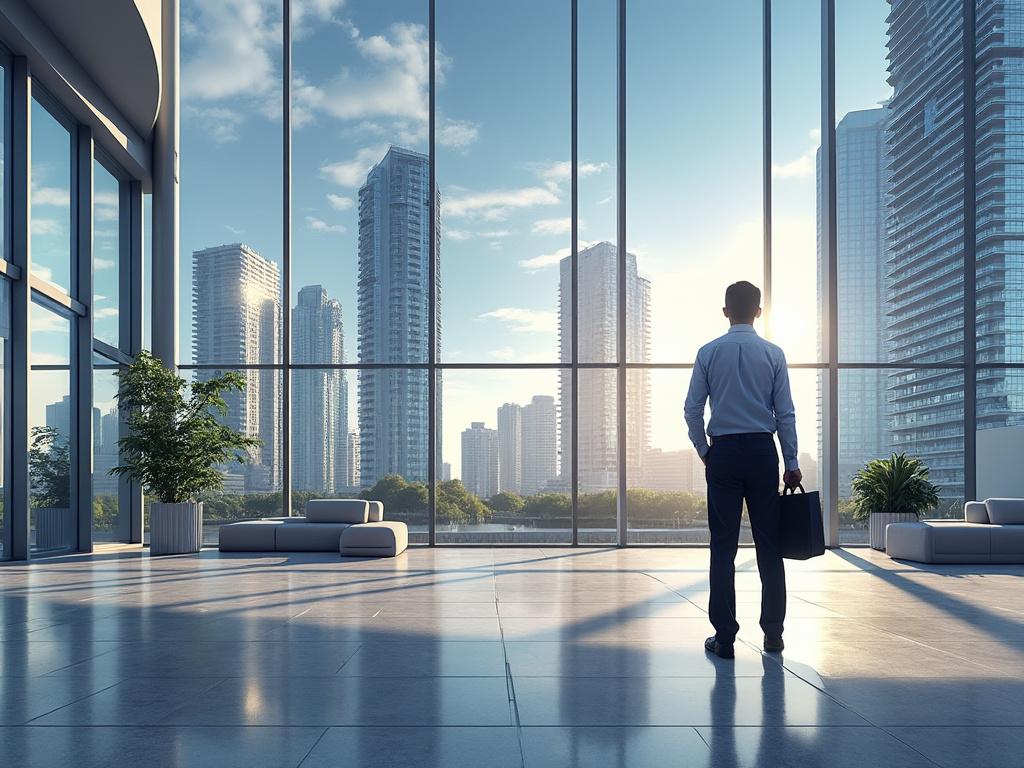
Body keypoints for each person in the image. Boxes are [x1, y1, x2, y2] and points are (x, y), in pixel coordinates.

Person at [684, 281, 800, 660]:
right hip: (763, 454)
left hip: (724, 455)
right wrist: (792, 463)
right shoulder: (773, 353)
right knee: (770, 547)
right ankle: (773, 634)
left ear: (725, 311)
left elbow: (692, 410)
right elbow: (785, 413)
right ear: (759, 311)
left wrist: (705, 452)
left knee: (723, 547)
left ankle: (725, 637)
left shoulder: (707, 352)